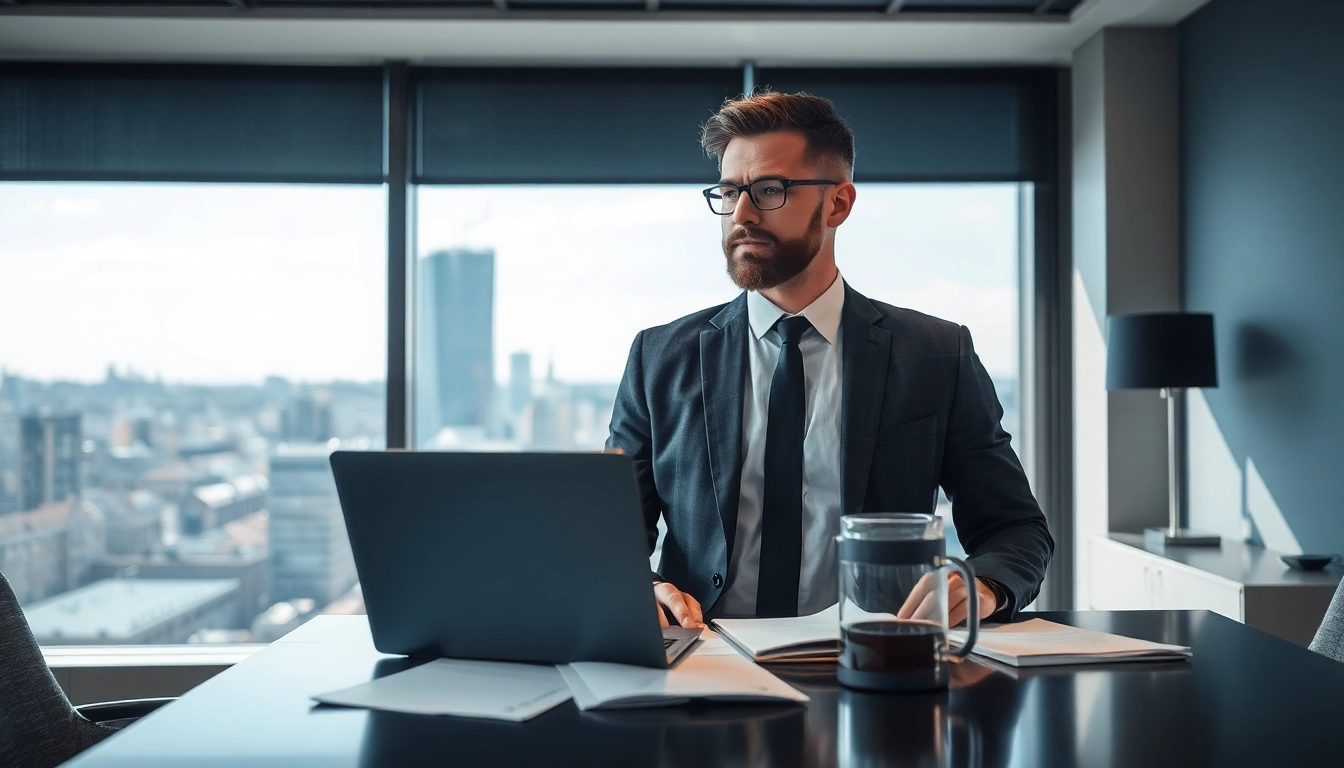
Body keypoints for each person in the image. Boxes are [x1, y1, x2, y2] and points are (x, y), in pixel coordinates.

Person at [606, 91, 1053, 629]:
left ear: (838, 203)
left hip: (876, 655)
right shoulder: (659, 357)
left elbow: (1015, 529)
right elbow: (610, 539)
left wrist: (981, 586)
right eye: (729, 192)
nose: (741, 214)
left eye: (770, 190)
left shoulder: (936, 353)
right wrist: (641, 589)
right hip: (705, 657)